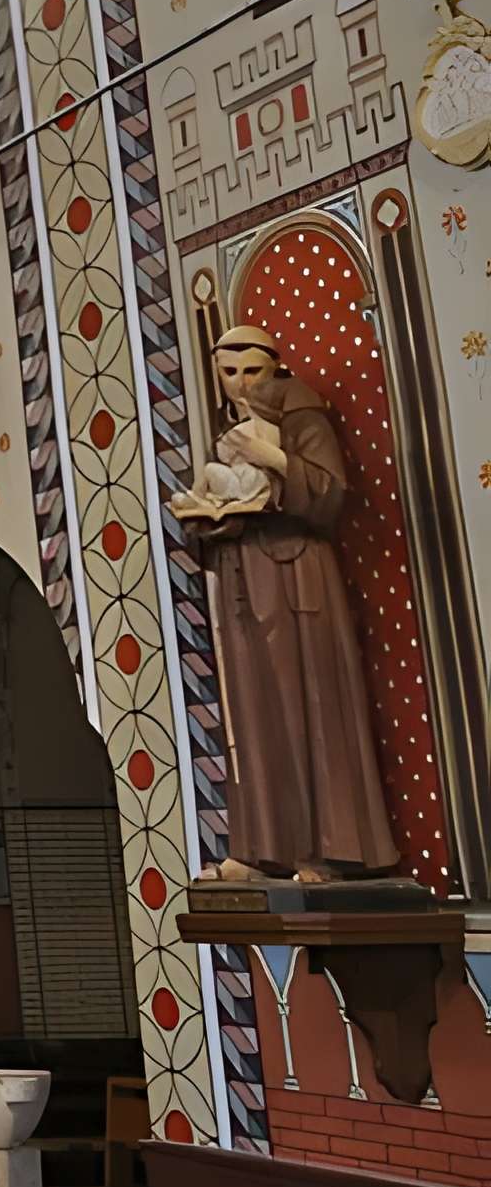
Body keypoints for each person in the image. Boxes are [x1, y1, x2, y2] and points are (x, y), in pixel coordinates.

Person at [173, 328, 402, 883]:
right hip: (242, 576)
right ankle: (263, 848)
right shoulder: (228, 430)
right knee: (252, 713)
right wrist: (208, 516)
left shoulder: (301, 413)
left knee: (309, 705)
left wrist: (271, 456)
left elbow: (329, 493)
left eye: (251, 371)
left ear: (274, 366)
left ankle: (328, 849)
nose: (241, 384)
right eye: (229, 373)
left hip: (297, 575)